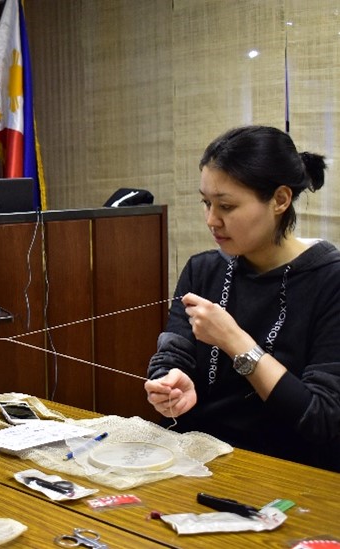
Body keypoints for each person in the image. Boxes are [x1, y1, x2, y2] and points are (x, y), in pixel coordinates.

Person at [144, 125, 340, 472]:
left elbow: (321, 418)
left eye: (227, 206)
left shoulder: (330, 280)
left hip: (291, 471)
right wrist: (170, 383)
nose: (211, 220)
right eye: (206, 203)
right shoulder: (202, 269)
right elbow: (172, 356)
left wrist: (234, 340)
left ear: (280, 200)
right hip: (196, 458)